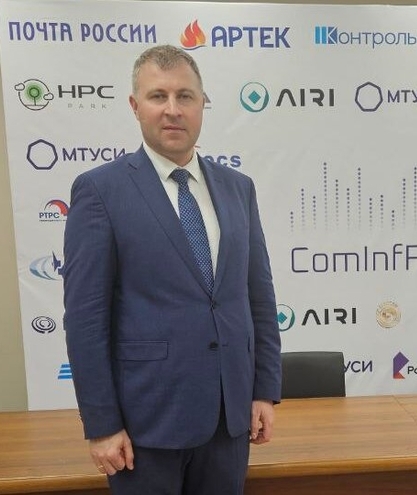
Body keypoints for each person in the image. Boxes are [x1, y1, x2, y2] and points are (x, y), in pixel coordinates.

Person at [63, 44, 281, 495]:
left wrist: (263, 390)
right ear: (135, 106)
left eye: (185, 96)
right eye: (158, 96)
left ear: (202, 103)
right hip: (145, 424)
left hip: (228, 418)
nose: (172, 110)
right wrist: (101, 425)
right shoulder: (100, 191)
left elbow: (257, 297)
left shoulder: (238, 188)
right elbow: (85, 319)